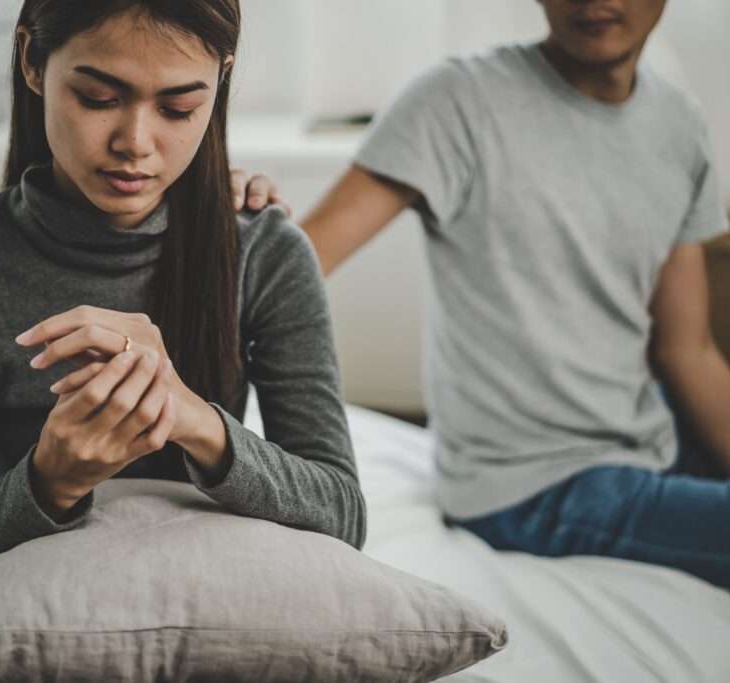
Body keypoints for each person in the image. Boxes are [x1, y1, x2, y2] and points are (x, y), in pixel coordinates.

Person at [0, 0, 364, 622]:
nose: (136, 143)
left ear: (220, 83)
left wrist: (192, 420)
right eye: (99, 98)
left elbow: (342, 512)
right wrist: (49, 479)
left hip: (215, 611)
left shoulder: (263, 252)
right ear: (32, 60)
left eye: (179, 108)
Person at [298, 0, 730, 586]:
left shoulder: (678, 124)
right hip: (527, 485)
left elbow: (689, 350)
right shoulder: (459, 99)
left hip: (650, 437)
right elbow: (296, 263)